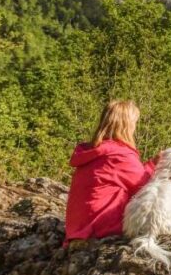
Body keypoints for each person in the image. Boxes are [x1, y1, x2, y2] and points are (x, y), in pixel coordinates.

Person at [64, 99, 158, 245]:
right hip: (100, 228)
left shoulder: (92, 151)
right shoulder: (119, 154)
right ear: (126, 125)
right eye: (134, 123)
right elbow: (143, 187)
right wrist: (155, 164)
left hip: (77, 229)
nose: (135, 128)